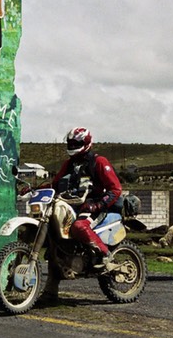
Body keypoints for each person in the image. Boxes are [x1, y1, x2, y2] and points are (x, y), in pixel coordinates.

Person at [44, 127, 122, 299]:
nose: (72, 145)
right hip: (73, 205)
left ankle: (105, 256)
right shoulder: (69, 164)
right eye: (70, 143)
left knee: (79, 227)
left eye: (76, 143)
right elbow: (54, 184)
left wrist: (98, 205)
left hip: (96, 206)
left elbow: (115, 189)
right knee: (53, 238)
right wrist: (33, 189)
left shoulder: (99, 162)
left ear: (86, 143)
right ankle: (50, 289)